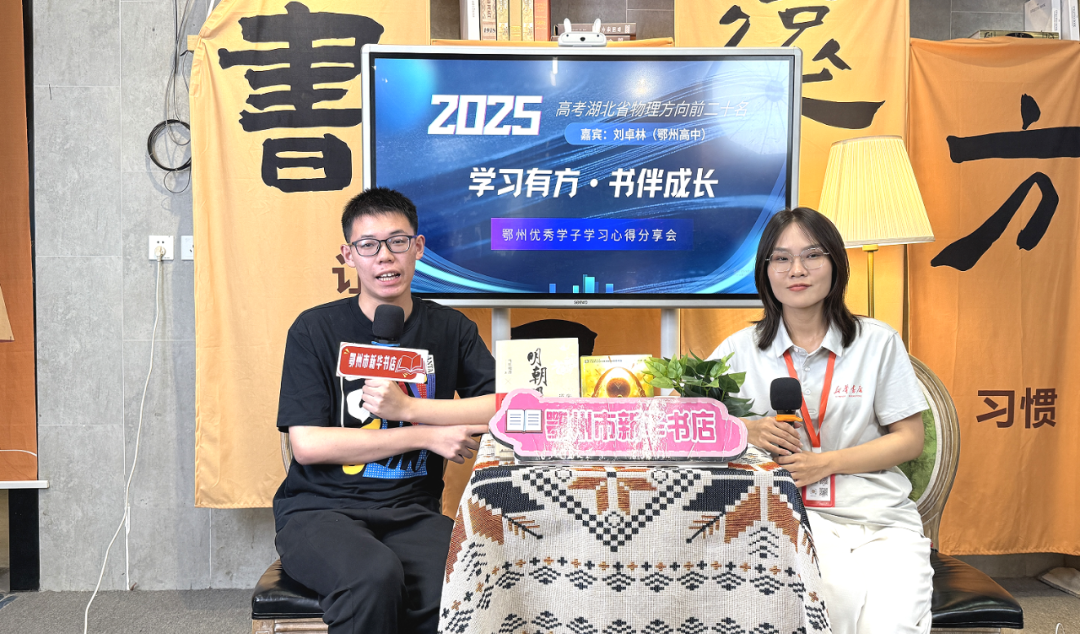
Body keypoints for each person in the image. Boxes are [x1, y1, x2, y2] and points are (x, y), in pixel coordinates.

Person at [272, 188, 496, 634]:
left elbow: (502, 407)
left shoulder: (450, 328)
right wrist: (424, 434)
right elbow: (308, 445)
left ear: (418, 247)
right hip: (319, 512)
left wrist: (410, 407)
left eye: (397, 242)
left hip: (412, 511)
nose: (385, 257)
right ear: (349, 255)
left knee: (461, 580)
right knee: (372, 577)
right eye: (368, 245)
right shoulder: (314, 329)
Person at [710, 207, 933, 634]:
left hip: (881, 517)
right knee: (830, 609)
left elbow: (909, 440)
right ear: (765, 271)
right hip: (794, 517)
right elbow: (689, 429)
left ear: (835, 262)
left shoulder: (877, 342)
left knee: (892, 623)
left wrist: (825, 463)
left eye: (812, 255)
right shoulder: (738, 351)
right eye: (781, 258)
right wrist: (746, 429)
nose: (797, 270)